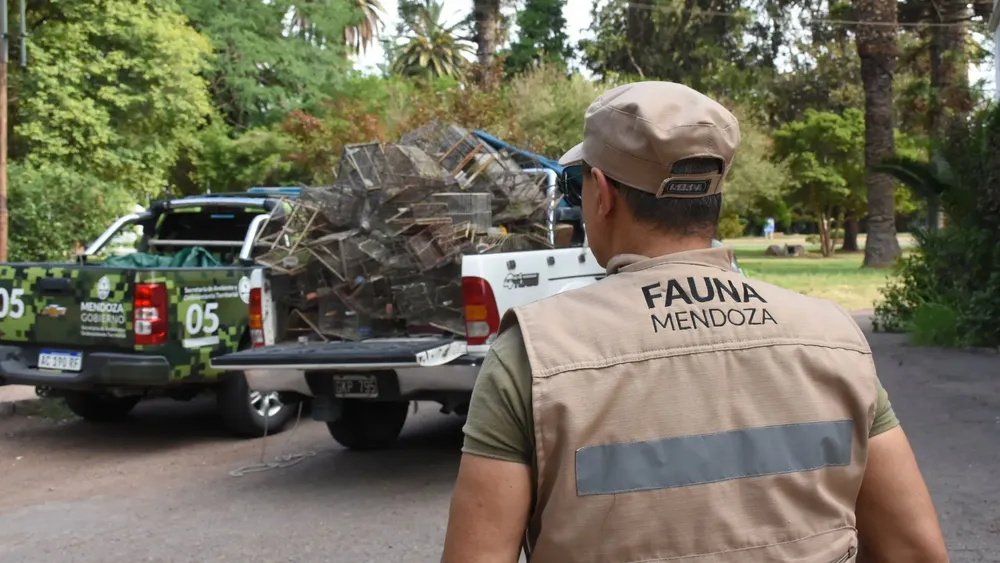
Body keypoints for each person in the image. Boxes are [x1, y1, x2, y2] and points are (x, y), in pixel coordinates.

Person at [441, 81, 949, 563]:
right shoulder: (835, 337)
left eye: (577, 186)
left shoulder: (534, 353)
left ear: (603, 192)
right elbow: (915, 550)